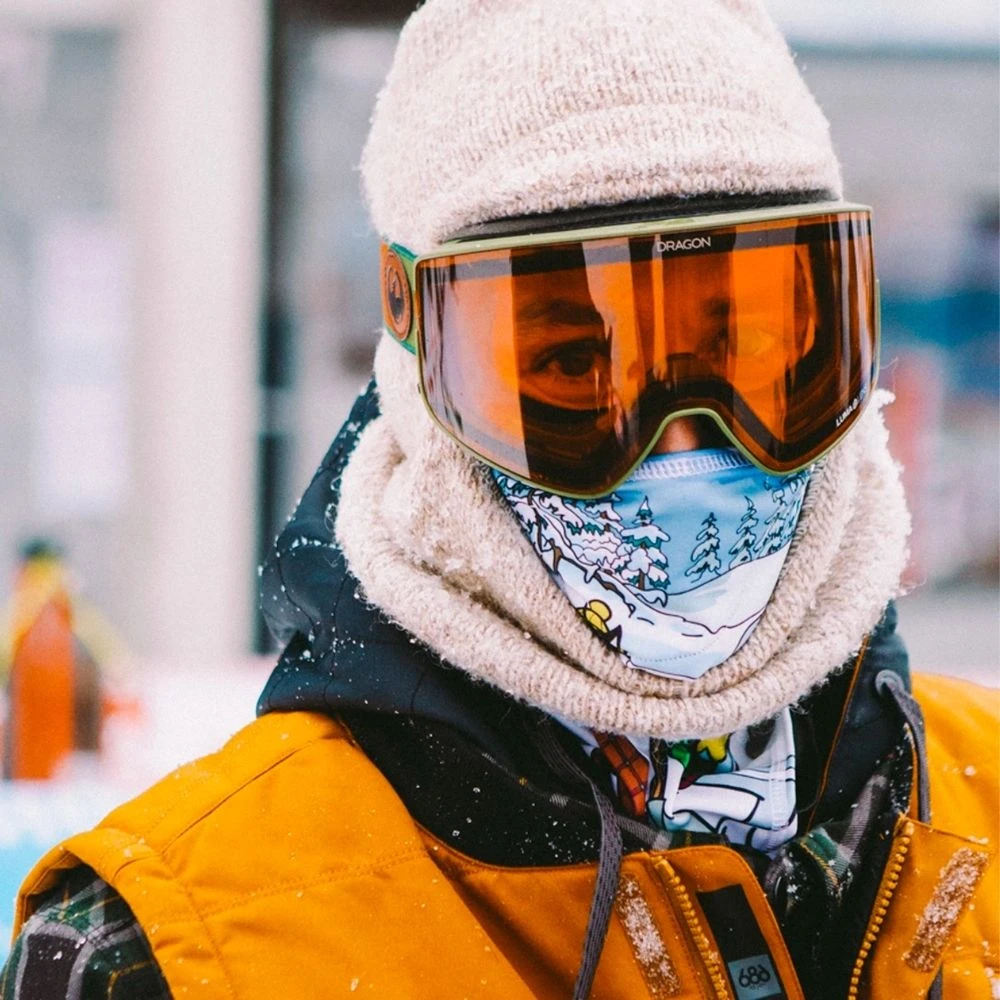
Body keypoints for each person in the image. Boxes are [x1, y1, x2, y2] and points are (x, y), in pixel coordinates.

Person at [2, 1, 997, 997]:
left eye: (750, 349)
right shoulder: (177, 954)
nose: (684, 446)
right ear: (418, 362)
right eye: (571, 365)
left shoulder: (982, 801)